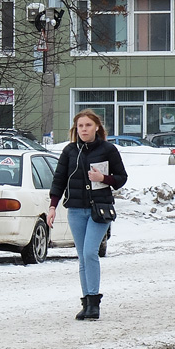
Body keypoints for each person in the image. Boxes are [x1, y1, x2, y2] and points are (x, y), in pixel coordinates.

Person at [47, 109, 127, 321]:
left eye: (88, 125)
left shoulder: (108, 149)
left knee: (91, 252)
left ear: (97, 128)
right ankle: (87, 303)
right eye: (80, 126)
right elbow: (59, 180)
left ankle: (94, 302)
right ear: (76, 129)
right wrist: (53, 206)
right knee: (82, 256)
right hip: (75, 209)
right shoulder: (70, 151)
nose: (84, 129)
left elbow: (121, 177)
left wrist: (103, 177)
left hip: (99, 209)